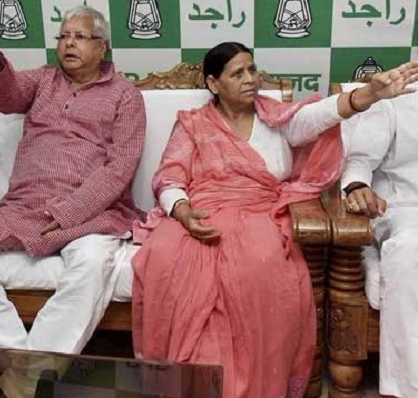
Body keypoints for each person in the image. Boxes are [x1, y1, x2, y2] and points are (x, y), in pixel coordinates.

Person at [131, 42, 418, 398]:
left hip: (259, 213)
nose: (250, 79)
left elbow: (324, 113)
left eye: (252, 69)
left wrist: (370, 94)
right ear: (213, 83)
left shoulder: (278, 120)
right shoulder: (192, 124)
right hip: (198, 211)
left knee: (259, 264)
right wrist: (182, 211)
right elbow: (170, 177)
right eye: (237, 73)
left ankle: (247, 384)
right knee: (163, 257)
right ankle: (188, 380)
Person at [0, 6, 145, 355]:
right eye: (64, 36)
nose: (69, 44)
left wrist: (70, 212)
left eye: (80, 37)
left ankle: (32, 369)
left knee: (92, 261)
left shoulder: (126, 95)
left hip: (91, 215)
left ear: (102, 46)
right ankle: (20, 360)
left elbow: (120, 168)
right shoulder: (44, 81)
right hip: (23, 207)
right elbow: (9, 96)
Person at [341, 84, 418, 398]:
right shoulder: (397, 96)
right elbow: (359, 160)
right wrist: (357, 186)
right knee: (410, 251)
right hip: (406, 209)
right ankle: (407, 390)